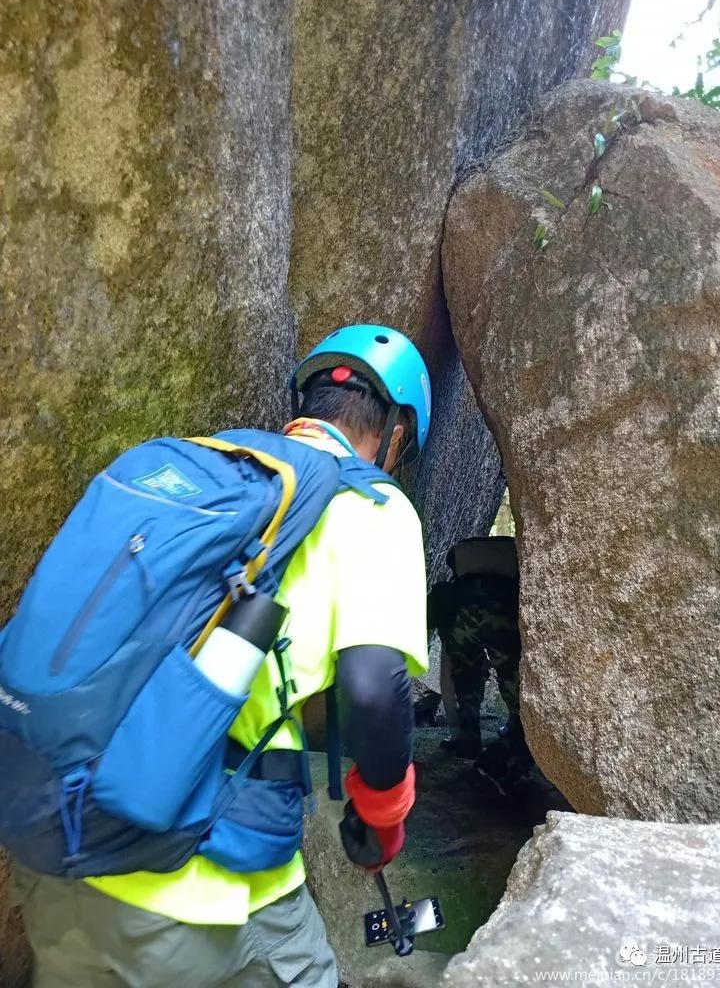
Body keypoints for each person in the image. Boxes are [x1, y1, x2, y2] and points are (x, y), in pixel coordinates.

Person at [14, 323, 431, 988]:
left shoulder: (188, 468)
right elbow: (374, 686)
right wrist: (382, 821)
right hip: (213, 896)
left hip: (65, 862)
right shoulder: (372, 509)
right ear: (399, 431)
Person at [431, 536, 537, 790]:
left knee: (466, 677)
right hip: (503, 613)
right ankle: (521, 734)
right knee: (512, 676)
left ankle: (468, 741)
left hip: (462, 614)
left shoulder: (461, 574)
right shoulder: (509, 560)